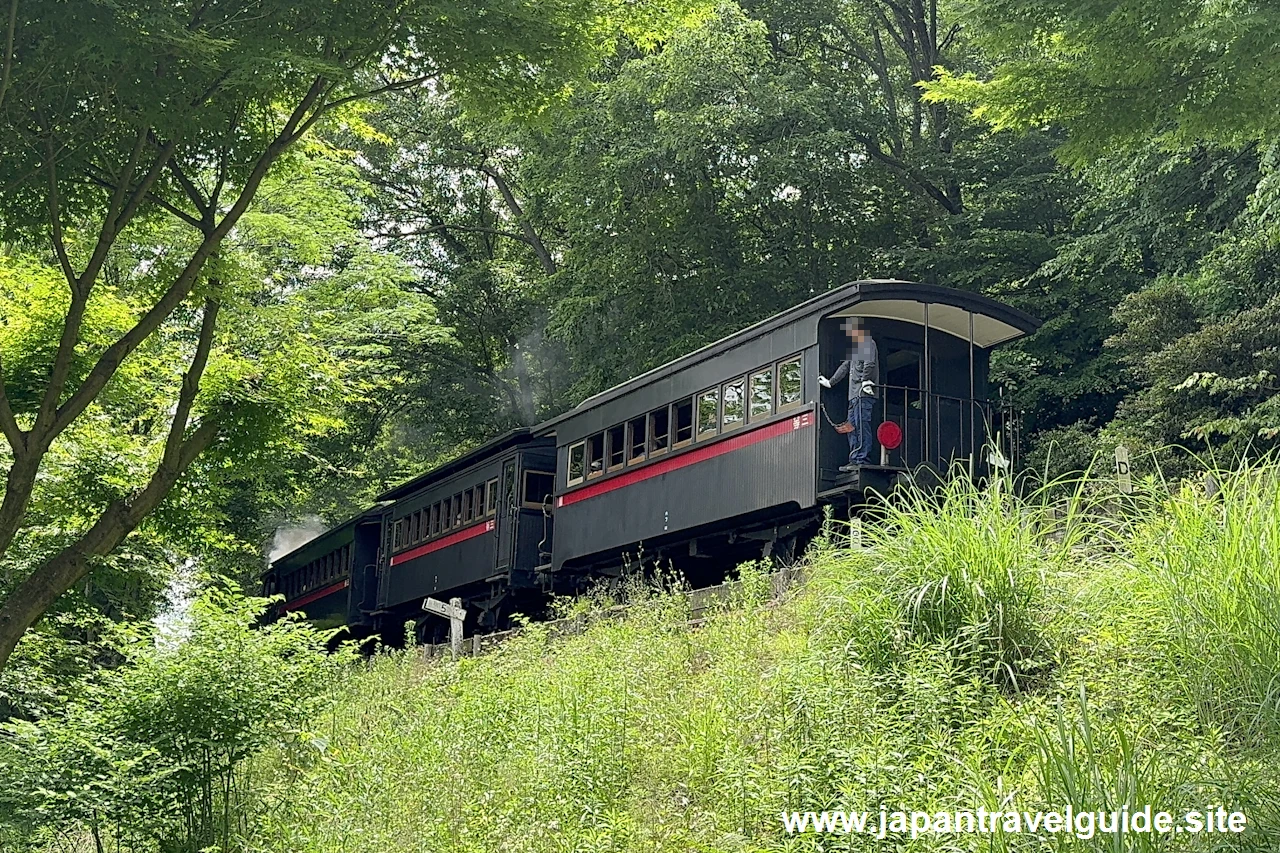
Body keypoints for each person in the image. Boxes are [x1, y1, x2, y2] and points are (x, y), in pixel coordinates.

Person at [818, 319, 879, 471]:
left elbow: (870, 364)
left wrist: (866, 381)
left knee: (861, 424)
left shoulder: (868, 343)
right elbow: (844, 367)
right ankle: (854, 457)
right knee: (851, 427)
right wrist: (830, 382)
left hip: (863, 394)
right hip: (853, 396)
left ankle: (862, 457)